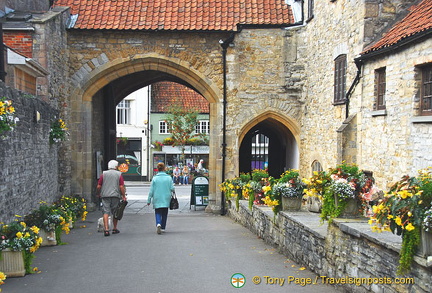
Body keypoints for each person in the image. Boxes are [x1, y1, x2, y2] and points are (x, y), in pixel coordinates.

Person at [96, 160, 127, 237]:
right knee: (115, 212)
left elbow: (99, 186)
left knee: (106, 212)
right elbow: (121, 186)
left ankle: (106, 229)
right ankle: (114, 228)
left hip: (105, 195)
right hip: (115, 195)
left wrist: (98, 193)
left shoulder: (104, 174)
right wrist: (123, 196)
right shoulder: (119, 174)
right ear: (116, 166)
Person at [147, 162, 175, 234]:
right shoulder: (168, 178)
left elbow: (151, 190)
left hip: (157, 197)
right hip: (166, 198)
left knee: (158, 212)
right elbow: (172, 188)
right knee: (165, 213)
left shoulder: (155, 178)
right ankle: (163, 228)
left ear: (157, 169)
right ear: (164, 168)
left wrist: (149, 199)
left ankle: (158, 223)